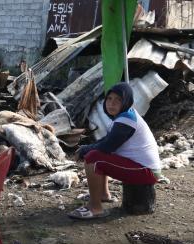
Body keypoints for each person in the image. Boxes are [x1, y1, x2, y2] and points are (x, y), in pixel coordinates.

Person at [68, 82, 162, 220]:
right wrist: (85, 148)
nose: (112, 104)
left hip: (146, 172)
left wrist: (85, 151)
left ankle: (95, 208)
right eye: (109, 99)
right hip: (143, 169)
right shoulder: (126, 115)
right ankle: (103, 195)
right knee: (98, 155)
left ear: (126, 101)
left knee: (93, 158)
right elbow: (107, 140)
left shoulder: (126, 120)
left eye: (118, 100)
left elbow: (107, 146)